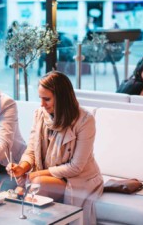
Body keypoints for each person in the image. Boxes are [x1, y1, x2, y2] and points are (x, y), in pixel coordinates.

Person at [6, 71, 103, 224]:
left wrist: (32, 175)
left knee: (37, 183)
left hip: (77, 179)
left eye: (47, 99)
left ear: (62, 98)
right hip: (48, 175)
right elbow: (31, 149)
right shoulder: (40, 113)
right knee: (30, 184)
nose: (42, 104)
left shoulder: (85, 120)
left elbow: (76, 167)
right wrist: (22, 168)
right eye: (40, 98)